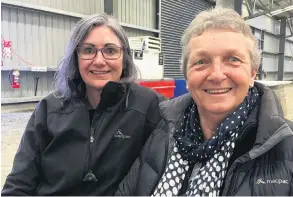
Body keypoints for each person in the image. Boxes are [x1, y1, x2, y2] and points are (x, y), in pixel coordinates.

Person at [116, 8, 293, 196]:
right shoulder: (163, 132)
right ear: (187, 76)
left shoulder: (285, 147)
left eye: (233, 59)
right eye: (201, 61)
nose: (216, 75)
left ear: (252, 73)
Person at [2, 13, 165, 196]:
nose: (99, 61)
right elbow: (18, 184)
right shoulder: (49, 110)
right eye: (88, 50)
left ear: (124, 57)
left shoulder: (148, 106)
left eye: (110, 50)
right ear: (75, 57)